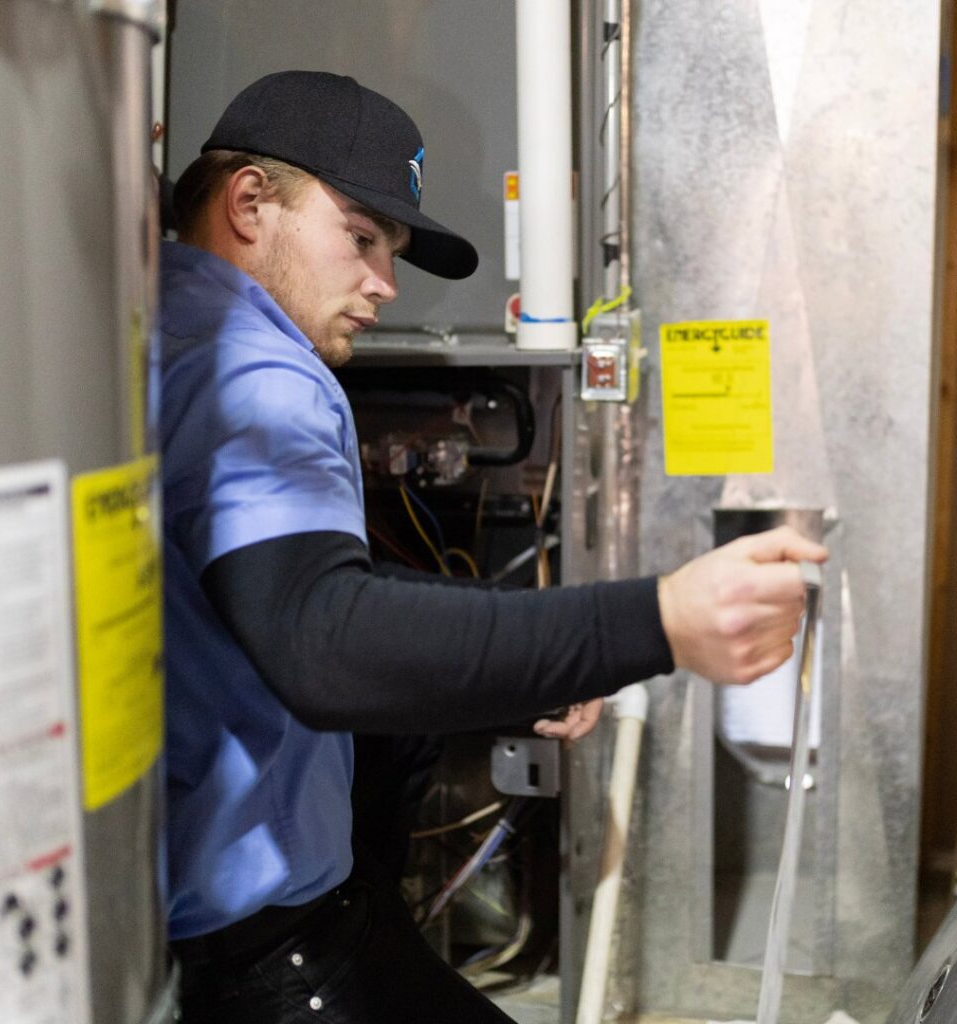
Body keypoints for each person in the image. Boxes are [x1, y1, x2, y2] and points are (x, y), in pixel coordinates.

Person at [159, 70, 827, 1024]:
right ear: (250, 203)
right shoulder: (261, 368)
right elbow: (320, 639)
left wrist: (520, 655)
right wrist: (660, 619)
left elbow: (276, 588)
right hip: (268, 950)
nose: (384, 285)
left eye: (389, 249)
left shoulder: (144, 331)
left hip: (194, 936)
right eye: (360, 238)